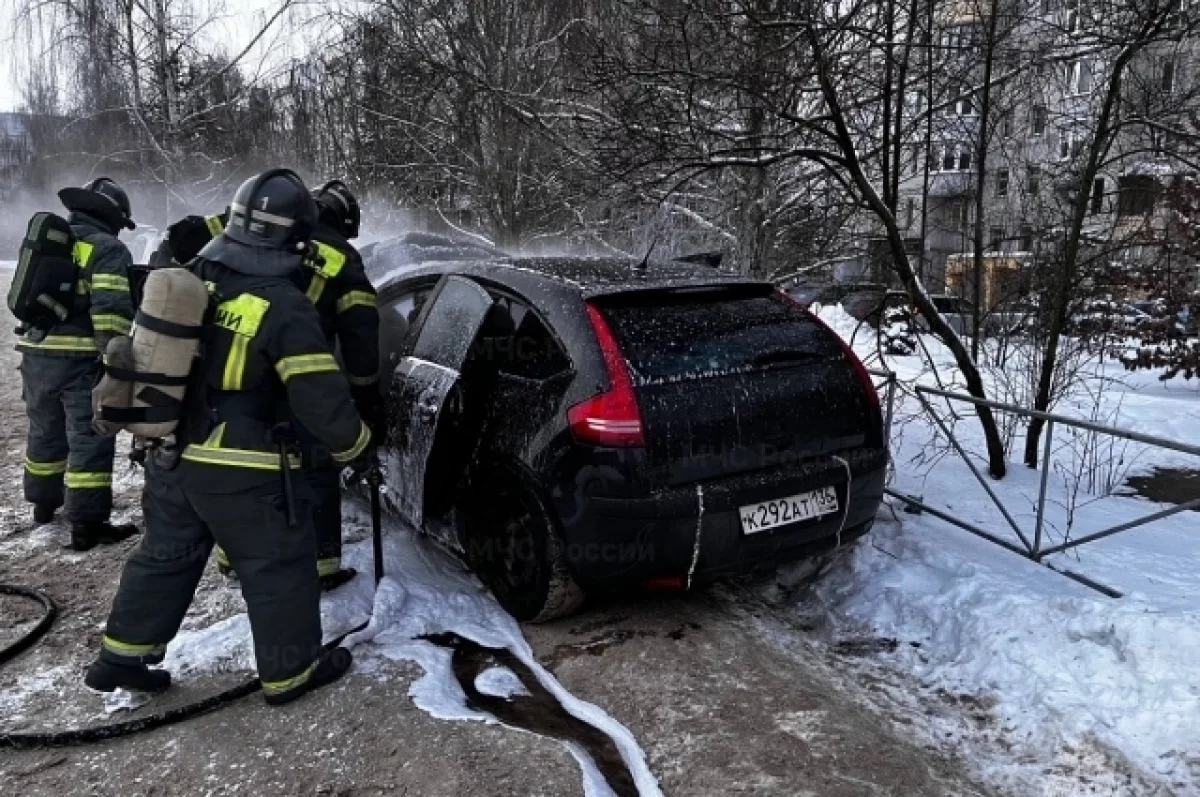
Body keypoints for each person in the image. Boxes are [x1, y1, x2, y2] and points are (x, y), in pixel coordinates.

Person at [85, 169, 371, 704]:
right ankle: (290, 676)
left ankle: (120, 657)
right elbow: (320, 399)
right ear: (297, 239)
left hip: (169, 450)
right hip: (241, 463)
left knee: (166, 555)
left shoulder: (194, 276)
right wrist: (358, 447)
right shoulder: (284, 306)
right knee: (278, 564)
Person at [212, 180, 381, 590]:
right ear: (343, 221)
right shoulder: (342, 257)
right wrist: (365, 396)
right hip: (301, 374)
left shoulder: (244, 229)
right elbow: (360, 336)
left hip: (236, 371)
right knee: (316, 470)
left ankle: (232, 558)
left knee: (244, 469)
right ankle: (322, 568)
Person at [19, 177, 138, 550]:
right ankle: (87, 525)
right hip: (78, 360)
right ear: (113, 216)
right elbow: (112, 314)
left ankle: (43, 503)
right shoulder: (107, 248)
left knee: (44, 429)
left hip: (36, 353)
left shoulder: (55, 241)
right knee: (90, 438)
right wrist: (118, 366)